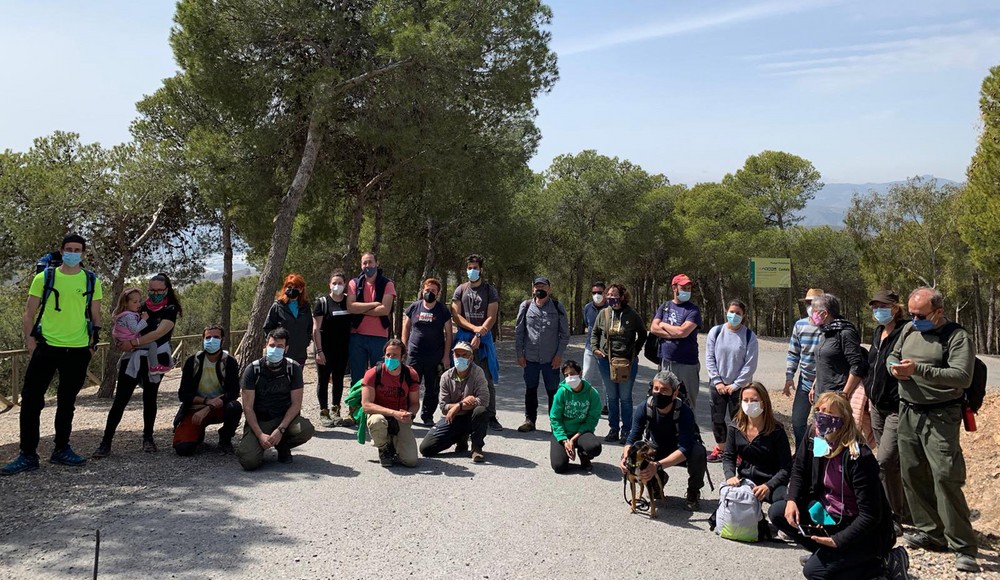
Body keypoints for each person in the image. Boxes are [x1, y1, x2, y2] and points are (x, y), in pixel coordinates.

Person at [888, 287, 980, 573]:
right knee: (913, 473)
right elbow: (893, 354)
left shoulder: (957, 337)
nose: (914, 319)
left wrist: (918, 371)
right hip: (908, 411)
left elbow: (962, 377)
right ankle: (931, 531)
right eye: (911, 314)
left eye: (920, 315)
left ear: (939, 312)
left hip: (941, 416)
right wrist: (893, 367)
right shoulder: (908, 330)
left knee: (945, 476)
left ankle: (963, 546)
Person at [2, 234, 102, 476]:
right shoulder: (44, 277)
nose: (72, 252)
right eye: (68, 248)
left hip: (77, 350)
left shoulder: (91, 280)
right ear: (61, 250)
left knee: (67, 403)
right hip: (46, 346)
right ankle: (27, 454)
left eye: (77, 249)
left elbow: (96, 315)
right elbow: (29, 312)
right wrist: (30, 342)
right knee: (31, 402)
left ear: (83, 253)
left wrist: (92, 345)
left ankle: (61, 449)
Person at [768, 392, 895, 579]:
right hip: (830, 514)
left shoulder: (858, 457)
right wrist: (792, 499)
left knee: (814, 573)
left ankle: (881, 563)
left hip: (859, 529)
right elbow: (799, 470)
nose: (820, 417)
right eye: (818, 410)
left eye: (827, 413)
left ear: (842, 419)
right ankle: (825, 554)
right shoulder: (815, 436)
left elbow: (870, 516)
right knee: (779, 512)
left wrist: (838, 540)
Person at [98, 273, 181, 455]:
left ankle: (148, 438)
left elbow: (159, 332)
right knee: (120, 399)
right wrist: (121, 342)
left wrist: (133, 343)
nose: (155, 293)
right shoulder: (139, 307)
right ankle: (106, 441)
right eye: (152, 290)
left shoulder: (170, 309)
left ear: (167, 290)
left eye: (159, 290)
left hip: (154, 357)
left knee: (150, 399)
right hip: (133, 358)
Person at [621, 370, 707, 511]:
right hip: (655, 448)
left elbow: (685, 448)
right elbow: (632, 438)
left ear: (675, 392)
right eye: (656, 389)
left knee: (698, 452)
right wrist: (626, 458)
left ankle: (693, 491)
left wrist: (657, 466)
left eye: (664, 390)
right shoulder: (645, 407)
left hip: (679, 450)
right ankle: (657, 480)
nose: (659, 393)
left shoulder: (685, 412)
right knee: (631, 455)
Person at [864, 289, 910, 535]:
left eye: (882, 305)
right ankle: (895, 507)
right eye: (874, 306)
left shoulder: (906, 331)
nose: (877, 310)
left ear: (895, 307)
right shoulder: (876, 332)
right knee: (890, 463)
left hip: (896, 407)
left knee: (885, 459)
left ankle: (894, 515)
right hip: (876, 406)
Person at [236, 328, 315, 470]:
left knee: (305, 429)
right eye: (272, 346)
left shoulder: (293, 368)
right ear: (266, 345)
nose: (275, 349)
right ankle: (259, 445)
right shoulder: (253, 370)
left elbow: (296, 404)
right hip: (260, 421)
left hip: (284, 421)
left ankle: (282, 445)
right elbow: (247, 407)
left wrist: (281, 429)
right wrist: (260, 435)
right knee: (248, 461)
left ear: (286, 349)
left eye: (280, 346)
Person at [169, 325, 243, 456]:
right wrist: (206, 402)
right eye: (208, 337)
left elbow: (233, 392)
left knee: (235, 407)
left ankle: (225, 438)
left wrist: (208, 407)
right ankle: (198, 435)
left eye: (216, 337)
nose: (211, 340)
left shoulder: (229, 362)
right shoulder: (192, 362)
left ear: (223, 340)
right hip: (195, 408)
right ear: (202, 339)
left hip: (220, 407)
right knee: (183, 449)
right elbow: (183, 395)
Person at [450, 253, 502, 431]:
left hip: (483, 340)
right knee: (460, 375)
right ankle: (460, 413)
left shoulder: (489, 290)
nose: (472, 270)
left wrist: (480, 334)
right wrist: (474, 330)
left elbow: (491, 316)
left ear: (481, 270)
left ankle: (491, 415)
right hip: (465, 338)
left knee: (485, 378)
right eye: (469, 267)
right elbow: (456, 315)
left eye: (475, 268)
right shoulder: (460, 289)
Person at [590, 283, 647, 443]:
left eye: (614, 295)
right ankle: (613, 429)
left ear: (622, 296)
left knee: (625, 398)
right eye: (608, 295)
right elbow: (594, 333)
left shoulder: (632, 314)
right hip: (606, 362)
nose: (610, 298)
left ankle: (626, 431)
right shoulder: (603, 314)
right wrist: (595, 349)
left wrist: (635, 351)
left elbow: (643, 334)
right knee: (611, 397)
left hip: (626, 363)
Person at [722, 382, 791, 508]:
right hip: (745, 481)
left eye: (754, 400)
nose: (749, 404)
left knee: (783, 504)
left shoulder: (776, 431)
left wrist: (768, 486)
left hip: (772, 482)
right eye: (745, 400)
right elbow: (728, 457)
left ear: (763, 402)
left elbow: (786, 467)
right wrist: (730, 476)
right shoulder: (735, 427)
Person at [514, 276, 570, 433]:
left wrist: (559, 355)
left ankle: (555, 424)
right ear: (533, 289)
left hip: (550, 359)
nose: (540, 289)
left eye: (543, 286)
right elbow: (519, 332)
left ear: (549, 289)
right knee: (530, 389)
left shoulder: (558, 307)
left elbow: (565, 334)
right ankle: (530, 420)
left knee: (553, 391)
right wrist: (520, 353)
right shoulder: (525, 306)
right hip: (530, 358)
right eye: (537, 286)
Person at [705, 299, 759, 462]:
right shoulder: (715, 332)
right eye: (732, 312)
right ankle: (721, 449)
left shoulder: (749, 336)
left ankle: (739, 452)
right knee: (717, 418)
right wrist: (718, 381)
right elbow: (709, 358)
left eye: (738, 313)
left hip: (740, 388)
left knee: (740, 420)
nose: (734, 315)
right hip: (717, 385)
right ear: (726, 311)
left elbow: (750, 364)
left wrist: (736, 385)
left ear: (743, 316)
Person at [419, 342, 490, 463]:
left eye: (464, 355)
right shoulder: (446, 376)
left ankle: (476, 447)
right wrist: (461, 405)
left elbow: (484, 400)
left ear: (471, 357)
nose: (460, 358)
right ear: (453, 357)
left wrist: (458, 406)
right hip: (452, 418)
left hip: (470, 417)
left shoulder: (477, 372)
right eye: (458, 355)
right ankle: (460, 437)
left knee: (481, 411)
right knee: (426, 448)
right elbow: (443, 406)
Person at [402, 277, 453, 426]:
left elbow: (449, 334)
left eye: (433, 291)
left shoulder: (442, 310)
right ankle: (408, 414)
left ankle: (427, 415)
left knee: (432, 388)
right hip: (414, 355)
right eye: (427, 290)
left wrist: (446, 356)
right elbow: (406, 327)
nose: (429, 293)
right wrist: (403, 349)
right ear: (422, 290)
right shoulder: (414, 307)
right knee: (410, 384)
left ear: (437, 293)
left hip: (434, 356)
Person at [362, 339, 420, 468]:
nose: (390, 358)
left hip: (401, 418)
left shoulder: (410, 374)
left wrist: (410, 414)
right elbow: (366, 406)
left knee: (411, 461)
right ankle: (383, 448)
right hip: (379, 415)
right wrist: (393, 413)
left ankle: (392, 443)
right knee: (377, 421)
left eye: (394, 355)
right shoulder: (373, 373)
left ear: (403, 357)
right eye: (388, 355)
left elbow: (415, 403)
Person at [650, 273, 703, 410]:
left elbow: (683, 332)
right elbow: (653, 328)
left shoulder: (693, 310)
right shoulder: (665, 306)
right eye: (683, 287)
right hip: (666, 361)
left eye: (689, 288)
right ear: (674, 287)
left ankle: (689, 430)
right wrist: (674, 332)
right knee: (663, 399)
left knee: (687, 402)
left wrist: (664, 325)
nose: (687, 290)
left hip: (687, 364)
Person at [347, 252, 396, 386]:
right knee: (357, 377)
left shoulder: (387, 284)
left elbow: (385, 310)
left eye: (370, 262)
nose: (368, 265)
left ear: (376, 263)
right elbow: (350, 307)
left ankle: (376, 404)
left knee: (379, 375)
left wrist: (361, 308)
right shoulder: (354, 283)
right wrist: (374, 304)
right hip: (357, 336)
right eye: (364, 263)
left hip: (379, 337)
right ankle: (356, 405)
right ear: (361, 265)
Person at [312, 270, 353, 428]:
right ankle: (324, 411)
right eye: (334, 283)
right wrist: (318, 351)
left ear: (345, 284)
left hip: (342, 350)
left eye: (340, 283)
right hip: (325, 349)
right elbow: (316, 329)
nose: (337, 286)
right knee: (323, 381)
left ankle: (336, 410)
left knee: (338, 380)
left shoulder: (349, 302)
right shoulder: (322, 302)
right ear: (329, 284)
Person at [809, 293, 868, 401]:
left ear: (825, 313)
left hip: (836, 398)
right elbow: (825, 362)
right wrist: (814, 386)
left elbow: (857, 366)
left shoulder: (846, 332)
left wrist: (844, 394)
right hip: (820, 396)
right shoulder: (825, 331)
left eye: (814, 311)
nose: (811, 314)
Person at [785, 288, 824, 445]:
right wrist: (789, 377)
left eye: (814, 303)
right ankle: (803, 453)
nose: (811, 306)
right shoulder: (799, 325)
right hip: (805, 382)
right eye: (808, 303)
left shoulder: (830, 327)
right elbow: (793, 352)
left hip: (824, 384)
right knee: (798, 421)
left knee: (822, 424)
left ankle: (819, 457)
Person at [549, 360, 602, 473]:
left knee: (594, 447)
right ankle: (564, 454)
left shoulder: (592, 393)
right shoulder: (561, 392)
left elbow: (592, 420)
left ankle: (584, 456)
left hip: (581, 432)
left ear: (580, 373)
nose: (569, 377)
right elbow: (555, 418)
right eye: (566, 375)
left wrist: (573, 439)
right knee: (559, 467)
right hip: (563, 432)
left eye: (572, 374)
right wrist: (565, 440)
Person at [110, 287, 166, 375]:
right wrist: (144, 319)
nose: (139, 304)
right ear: (126, 303)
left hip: (123, 341)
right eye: (135, 302)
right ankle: (154, 367)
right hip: (129, 340)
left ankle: (120, 363)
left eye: (139, 301)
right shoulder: (129, 316)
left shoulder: (122, 315)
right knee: (152, 344)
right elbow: (135, 329)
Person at [263, 273, 313, 366]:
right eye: (289, 286)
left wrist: (305, 341)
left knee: (296, 379)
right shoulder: (277, 306)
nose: (292, 289)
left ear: (301, 289)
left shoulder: (306, 307)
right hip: (280, 353)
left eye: (296, 287)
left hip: (300, 353)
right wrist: (275, 345)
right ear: (285, 288)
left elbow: (309, 326)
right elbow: (268, 327)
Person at [582, 281, 609, 415]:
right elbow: (587, 324)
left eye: (599, 292)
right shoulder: (587, 308)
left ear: (605, 293)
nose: (597, 295)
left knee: (606, 379)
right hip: (589, 348)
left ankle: (607, 405)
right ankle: (584, 403)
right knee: (586, 375)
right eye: (594, 293)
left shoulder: (611, 307)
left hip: (606, 350)